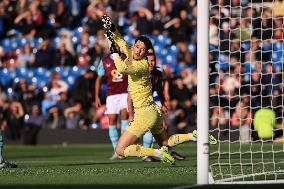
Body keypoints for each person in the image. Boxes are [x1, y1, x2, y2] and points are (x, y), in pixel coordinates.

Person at [102, 15, 217, 165]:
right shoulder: (132, 53)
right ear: (134, 45)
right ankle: (194, 136)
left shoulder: (142, 65)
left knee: (120, 150)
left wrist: (114, 54)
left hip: (144, 113)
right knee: (166, 142)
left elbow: (122, 68)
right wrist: (112, 29)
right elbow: (121, 42)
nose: (138, 51)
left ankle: (156, 153)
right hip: (154, 111)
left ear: (145, 53)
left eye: (142, 50)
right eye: (137, 47)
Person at [128, 48, 186, 162]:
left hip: (153, 98)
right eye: (149, 60)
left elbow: (162, 84)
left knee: (163, 126)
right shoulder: (137, 72)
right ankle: (150, 153)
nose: (151, 63)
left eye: (153, 60)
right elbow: (129, 96)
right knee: (151, 126)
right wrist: (131, 113)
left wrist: (164, 99)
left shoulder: (158, 70)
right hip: (142, 101)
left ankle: (164, 151)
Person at [95, 44, 129, 160]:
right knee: (112, 120)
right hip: (112, 95)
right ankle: (116, 150)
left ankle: (123, 148)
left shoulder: (126, 57)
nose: (115, 48)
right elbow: (99, 79)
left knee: (125, 118)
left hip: (126, 92)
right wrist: (97, 96)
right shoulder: (104, 61)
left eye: (117, 46)